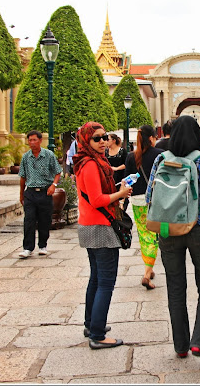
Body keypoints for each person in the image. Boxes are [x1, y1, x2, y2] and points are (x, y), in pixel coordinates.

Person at [146, 115, 200, 364]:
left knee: (175, 286)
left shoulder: (160, 159)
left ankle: (180, 346)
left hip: (168, 229)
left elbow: (149, 198)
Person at [74, 122, 133, 349]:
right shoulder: (90, 164)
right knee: (106, 281)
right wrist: (120, 193)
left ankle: (92, 324)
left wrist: (119, 190)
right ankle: (97, 335)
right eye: (96, 138)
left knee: (97, 278)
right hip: (99, 226)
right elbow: (97, 199)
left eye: (104, 137)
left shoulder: (93, 162)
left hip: (92, 224)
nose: (102, 141)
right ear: (86, 141)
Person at [124, 125, 163, 290]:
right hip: (155, 200)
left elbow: (128, 180)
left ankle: (149, 266)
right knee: (154, 235)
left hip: (137, 200)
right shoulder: (159, 155)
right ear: (152, 138)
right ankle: (147, 273)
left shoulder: (131, 156)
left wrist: (124, 202)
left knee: (144, 234)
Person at [18, 130, 62, 259]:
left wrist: (53, 185)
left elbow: (57, 171)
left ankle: (43, 245)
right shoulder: (26, 157)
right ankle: (28, 248)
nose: (32, 143)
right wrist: (21, 194)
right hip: (30, 192)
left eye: (34, 140)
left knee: (44, 220)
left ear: (40, 140)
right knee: (29, 220)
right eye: (30, 140)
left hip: (45, 192)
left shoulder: (48, 155)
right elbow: (22, 177)